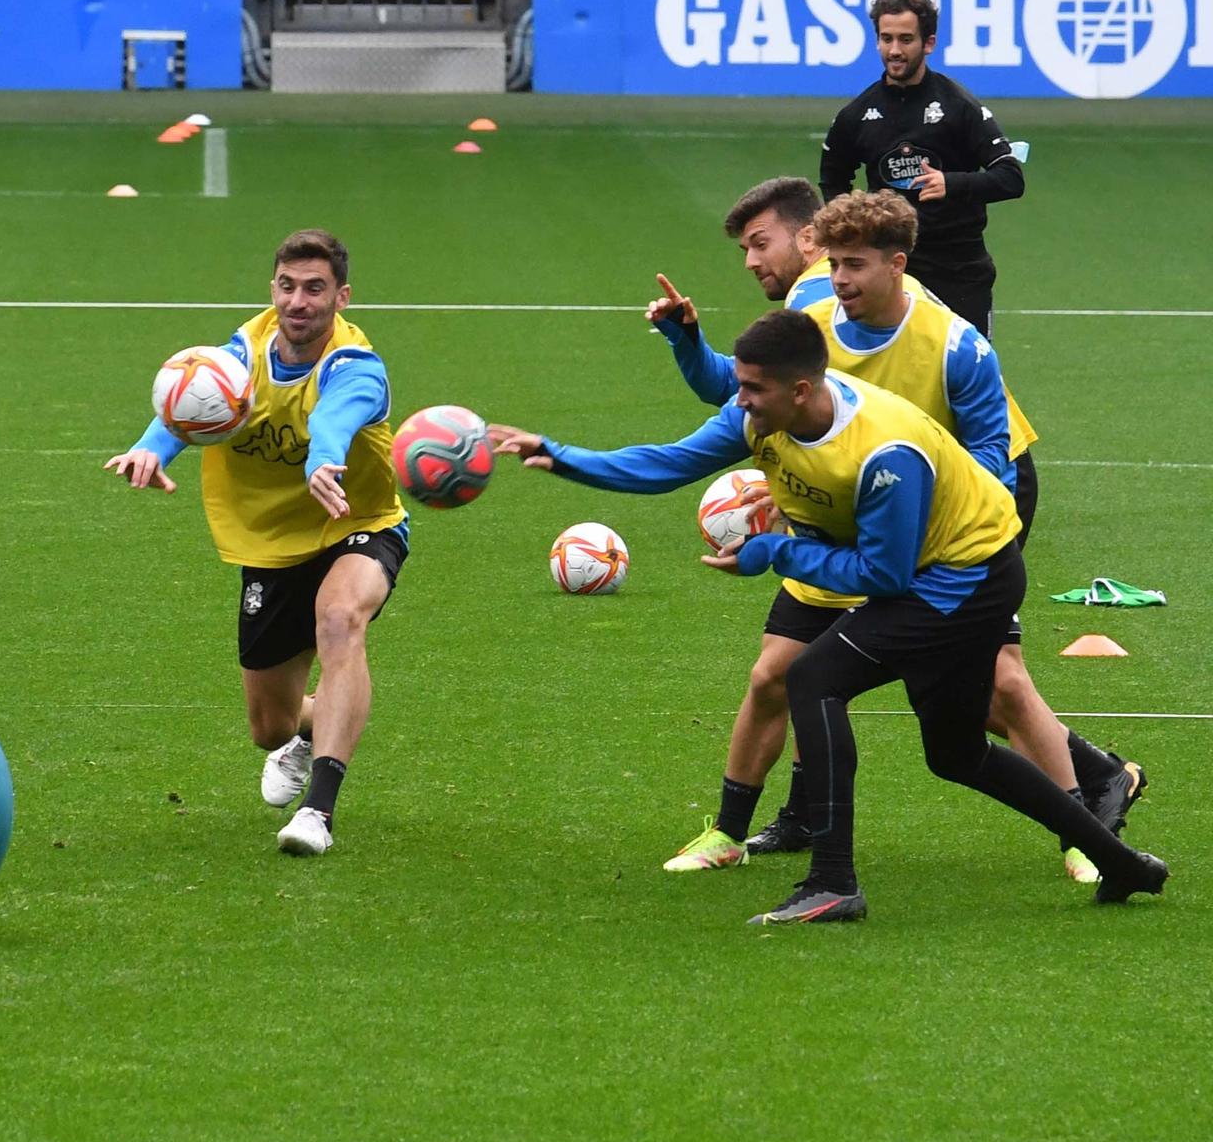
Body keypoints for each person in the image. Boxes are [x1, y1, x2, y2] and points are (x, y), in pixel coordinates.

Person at [487, 311, 1169, 925]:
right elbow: (669, 464)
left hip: (968, 579)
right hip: (933, 577)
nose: (740, 400)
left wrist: (772, 551)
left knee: (812, 677)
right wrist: (560, 456)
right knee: (955, 755)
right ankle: (1121, 863)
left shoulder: (883, 452)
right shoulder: (762, 417)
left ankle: (833, 883)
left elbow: (884, 577)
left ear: (802, 391)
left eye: (753, 388)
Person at [647, 182, 1144, 879]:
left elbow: (978, 456)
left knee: (995, 676)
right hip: (875, 496)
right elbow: (759, 401)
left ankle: (1090, 813)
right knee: (787, 671)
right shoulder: (811, 311)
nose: (753, 262)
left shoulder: (872, 305)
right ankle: (778, 821)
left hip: (969, 497)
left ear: (808, 240)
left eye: (761, 243)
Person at [103, 230, 408, 857]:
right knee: (269, 727)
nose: (299, 301)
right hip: (271, 546)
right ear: (274, 290)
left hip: (357, 520)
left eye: (315, 289)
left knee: (340, 620)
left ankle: (317, 811)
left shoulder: (357, 368)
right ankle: (312, 729)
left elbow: (333, 417)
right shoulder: (242, 353)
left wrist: (322, 460)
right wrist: (150, 448)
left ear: (341, 297)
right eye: (288, 287)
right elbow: (192, 399)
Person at [819, 0, 1026, 338]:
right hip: (890, 272)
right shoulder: (857, 114)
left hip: (958, 270)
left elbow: (1010, 177)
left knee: (966, 382)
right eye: (886, 39)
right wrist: (854, 229)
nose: (895, 50)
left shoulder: (960, 106)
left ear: (928, 43)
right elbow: (832, 178)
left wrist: (953, 183)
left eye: (905, 39)